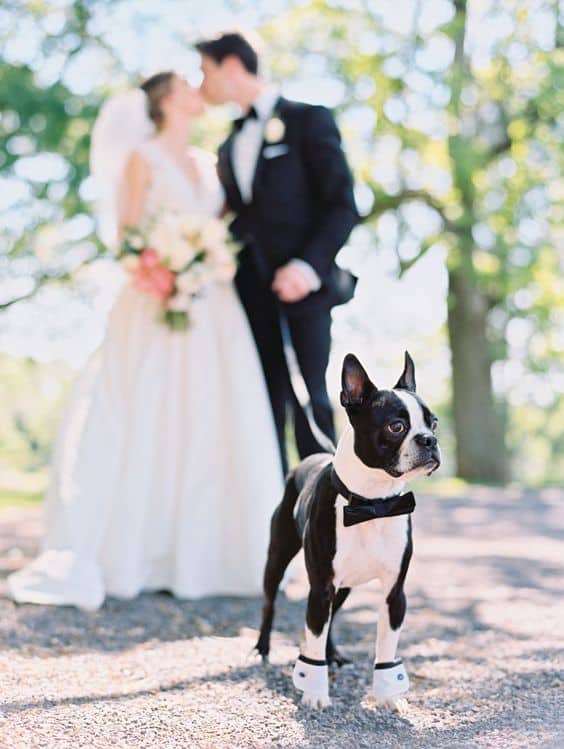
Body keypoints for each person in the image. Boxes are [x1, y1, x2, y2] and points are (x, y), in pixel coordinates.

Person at [8, 72, 283, 611]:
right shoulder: (142, 157)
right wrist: (164, 271)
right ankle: (137, 554)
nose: (197, 88)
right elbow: (127, 236)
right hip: (156, 298)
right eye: (186, 83)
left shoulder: (209, 163)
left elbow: (222, 224)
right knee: (146, 412)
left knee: (211, 415)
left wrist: (202, 265)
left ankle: (209, 556)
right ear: (163, 100)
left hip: (212, 303)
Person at [196, 32, 359, 474]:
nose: (201, 84)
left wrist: (307, 267)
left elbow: (343, 203)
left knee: (311, 397)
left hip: (303, 290)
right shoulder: (228, 145)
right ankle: (274, 515)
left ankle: (327, 507)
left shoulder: (309, 120)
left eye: (205, 71)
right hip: (246, 293)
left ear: (231, 65)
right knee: (260, 402)